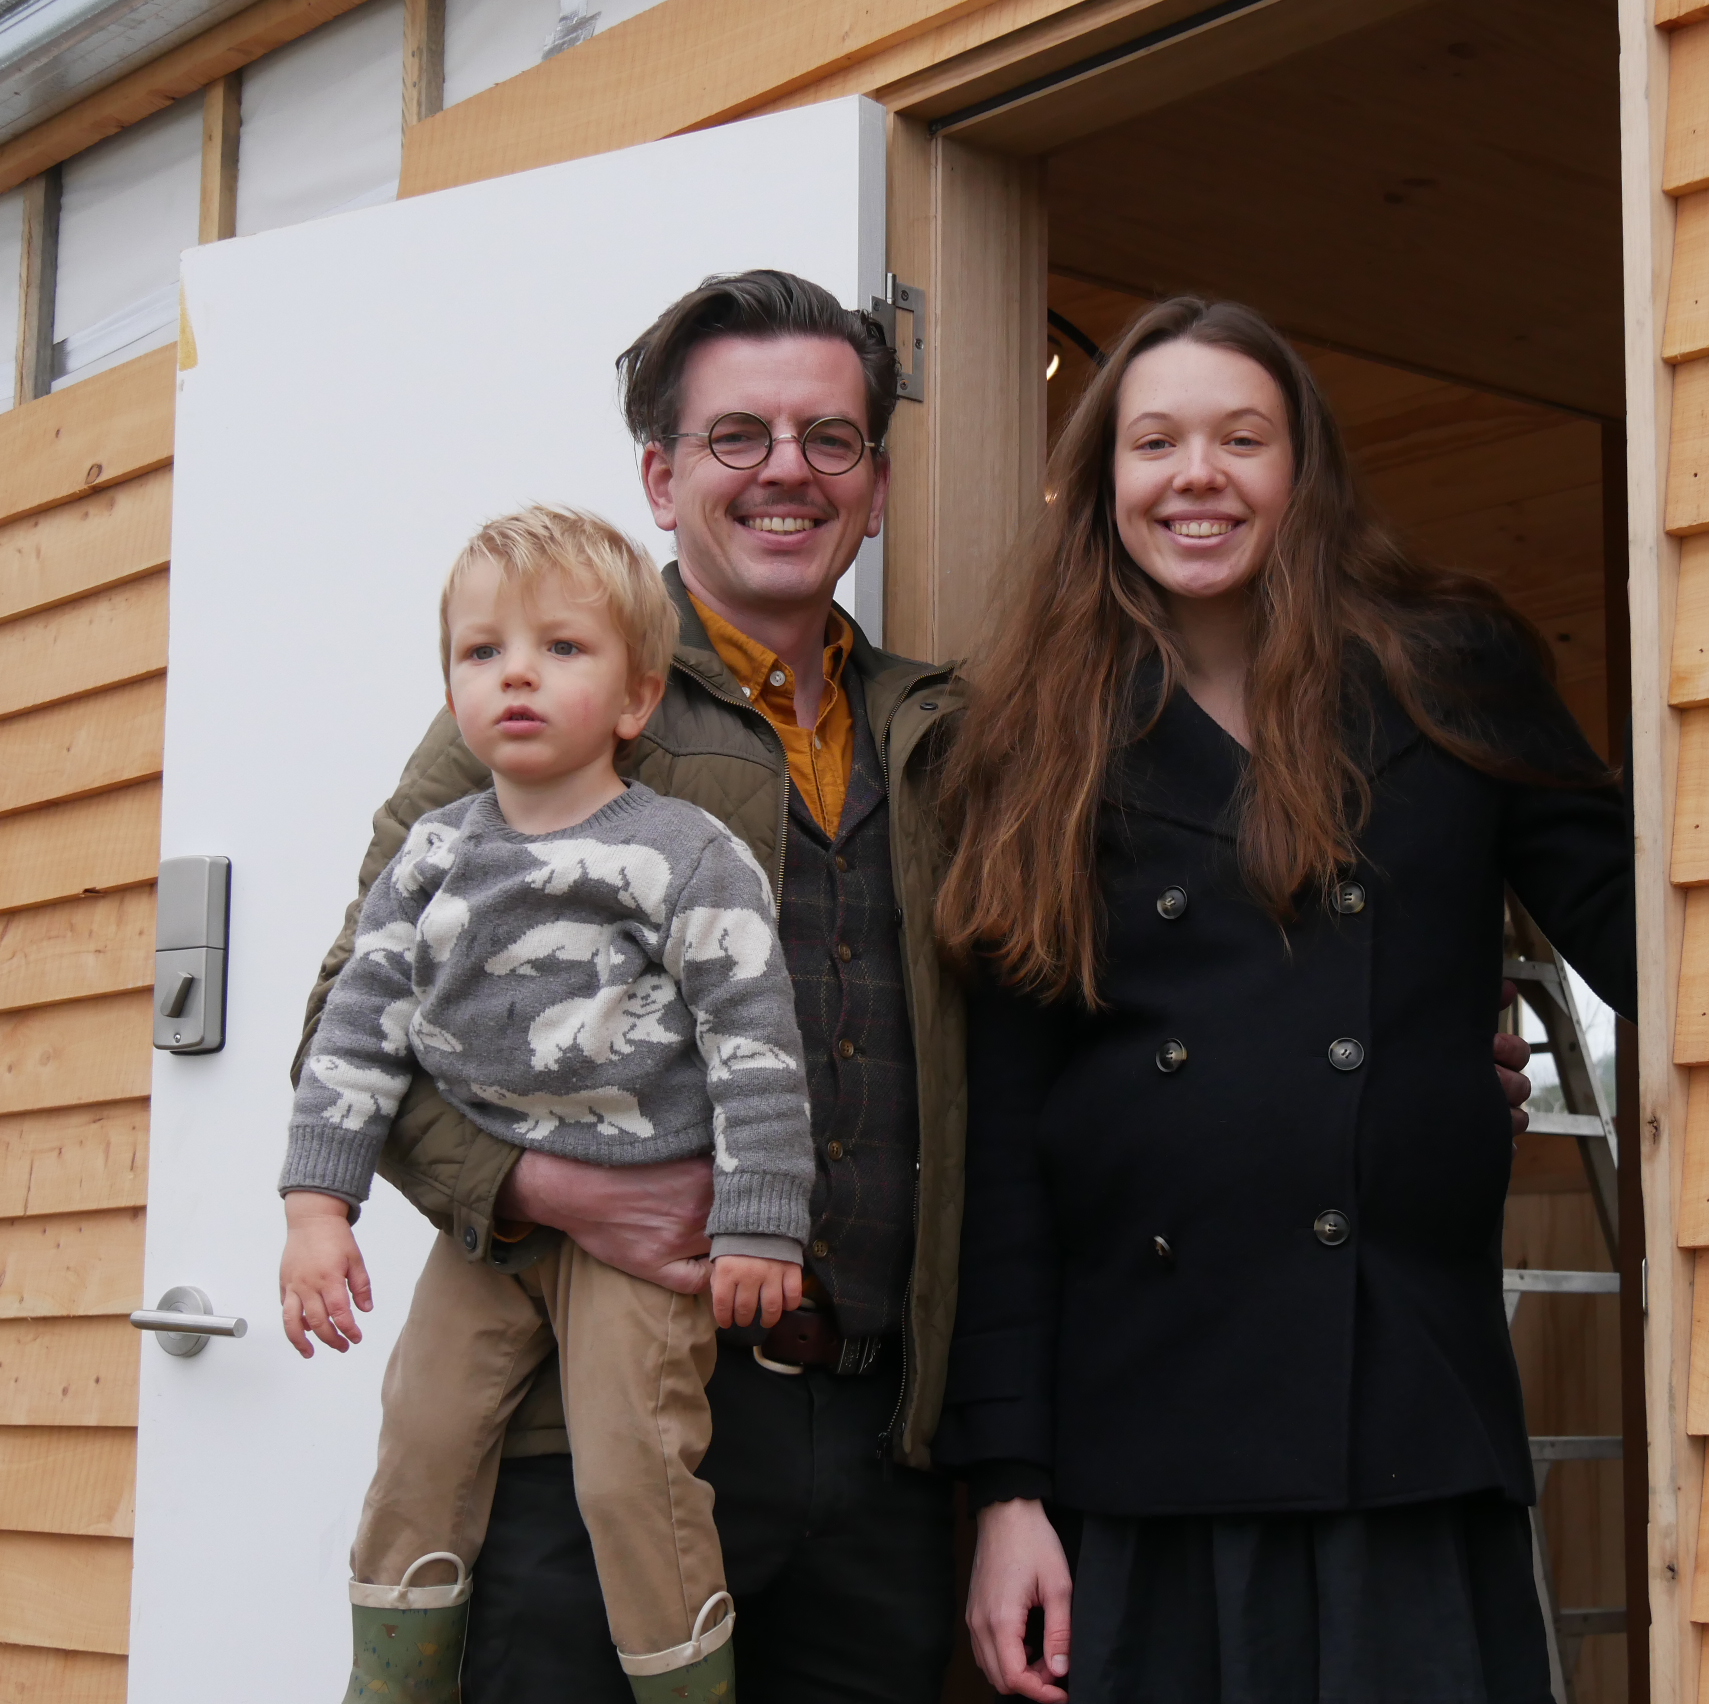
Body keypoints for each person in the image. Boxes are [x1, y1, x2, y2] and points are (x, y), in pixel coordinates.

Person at [296, 270, 1546, 1703]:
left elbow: (1112, 1008)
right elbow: (349, 1033)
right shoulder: (555, 708)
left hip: (879, 1443)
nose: (788, 472)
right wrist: (544, 1188)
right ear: (660, 475)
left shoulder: (963, 738)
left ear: (876, 489)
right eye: (738, 437)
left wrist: (1418, 1049)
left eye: (830, 440)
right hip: (609, 1432)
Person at [931, 297, 1637, 1704]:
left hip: (1407, 1414)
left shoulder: (1448, 674)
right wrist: (1009, 1492)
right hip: (1145, 1439)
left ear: (1301, 471)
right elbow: (1006, 1153)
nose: (1199, 475)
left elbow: (1643, 933)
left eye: (1241, 438)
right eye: (1157, 442)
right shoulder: (1031, 738)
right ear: (1106, 483)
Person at [280, 507, 811, 1703]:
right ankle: (392, 1680)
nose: (516, 671)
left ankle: (687, 1687)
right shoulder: (432, 856)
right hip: (492, 1227)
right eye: (482, 652)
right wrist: (320, 1212)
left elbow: (756, 1044)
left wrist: (759, 1221)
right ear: (454, 689)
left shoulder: (688, 853)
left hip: (645, 1233)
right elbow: (360, 1030)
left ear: (634, 698)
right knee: (419, 1440)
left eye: (561, 648)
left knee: (633, 1470)